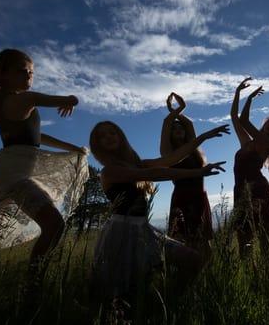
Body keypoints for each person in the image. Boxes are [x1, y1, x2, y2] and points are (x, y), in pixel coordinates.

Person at [0, 48, 89, 282]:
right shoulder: (19, 100)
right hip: (13, 176)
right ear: (4, 75)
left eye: (31, 72)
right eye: (22, 71)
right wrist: (71, 100)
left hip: (5, 173)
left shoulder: (10, 103)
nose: (29, 76)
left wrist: (71, 148)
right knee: (54, 225)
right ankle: (32, 284)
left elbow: (39, 136)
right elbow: (47, 99)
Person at [89, 120, 228, 300]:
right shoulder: (109, 171)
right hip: (121, 234)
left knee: (194, 260)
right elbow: (155, 174)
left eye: (112, 132)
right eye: (102, 136)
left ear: (120, 137)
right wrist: (197, 173)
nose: (108, 137)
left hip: (143, 229)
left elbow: (171, 160)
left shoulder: (137, 164)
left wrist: (202, 137)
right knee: (123, 295)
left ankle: (172, 301)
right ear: (98, 145)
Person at [231, 77, 269, 256]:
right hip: (241, 190)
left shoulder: (267, 142)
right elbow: (235, 117)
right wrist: (237, 93)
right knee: (244, 241)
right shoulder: (249, 143)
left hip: (257, 190)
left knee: (264, 241)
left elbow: (244, 119)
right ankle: (252, 279)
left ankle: (267, 278)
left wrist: (249, 99)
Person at [160, 93, 213, 254]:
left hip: (200, 198)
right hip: (183, 199)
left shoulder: (194, 149)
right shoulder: (168, 151)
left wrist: (181, 110)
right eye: (174, 128)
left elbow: (189, 124)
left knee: (205, 247)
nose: (178, 129)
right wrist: (174, 110)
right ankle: (185, 277)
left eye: (180, 128)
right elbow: (166, 122)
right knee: (185, 245)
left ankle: (202, 278)